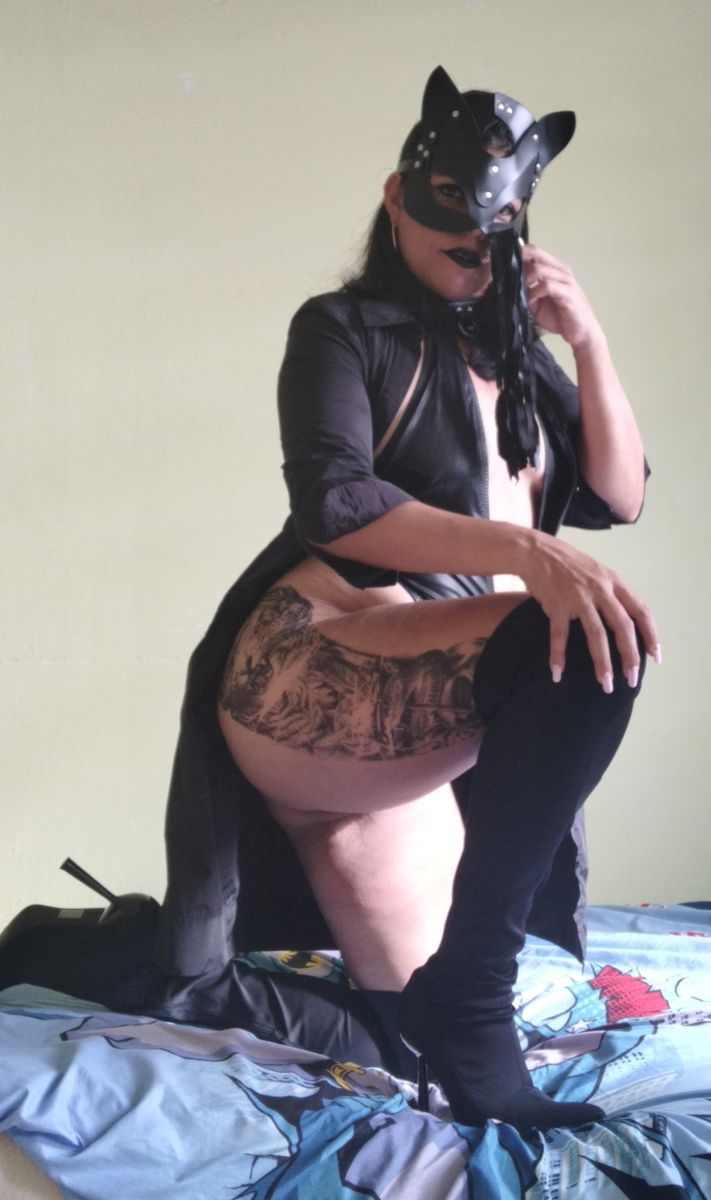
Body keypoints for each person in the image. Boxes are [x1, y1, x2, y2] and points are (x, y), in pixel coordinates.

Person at [157, 67, 660, 1131]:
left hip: (439, 702)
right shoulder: (342, 328)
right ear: (398, 196)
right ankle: (469, 997)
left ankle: (452, 998)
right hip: (321, 654)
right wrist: (526, 553)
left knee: (405, 1040)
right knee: (575, 634)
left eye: (495, 233)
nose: (474, 250)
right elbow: (335, 500)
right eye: (452, 222)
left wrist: (589, 341)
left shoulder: (515, 357)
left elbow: (621, 493)